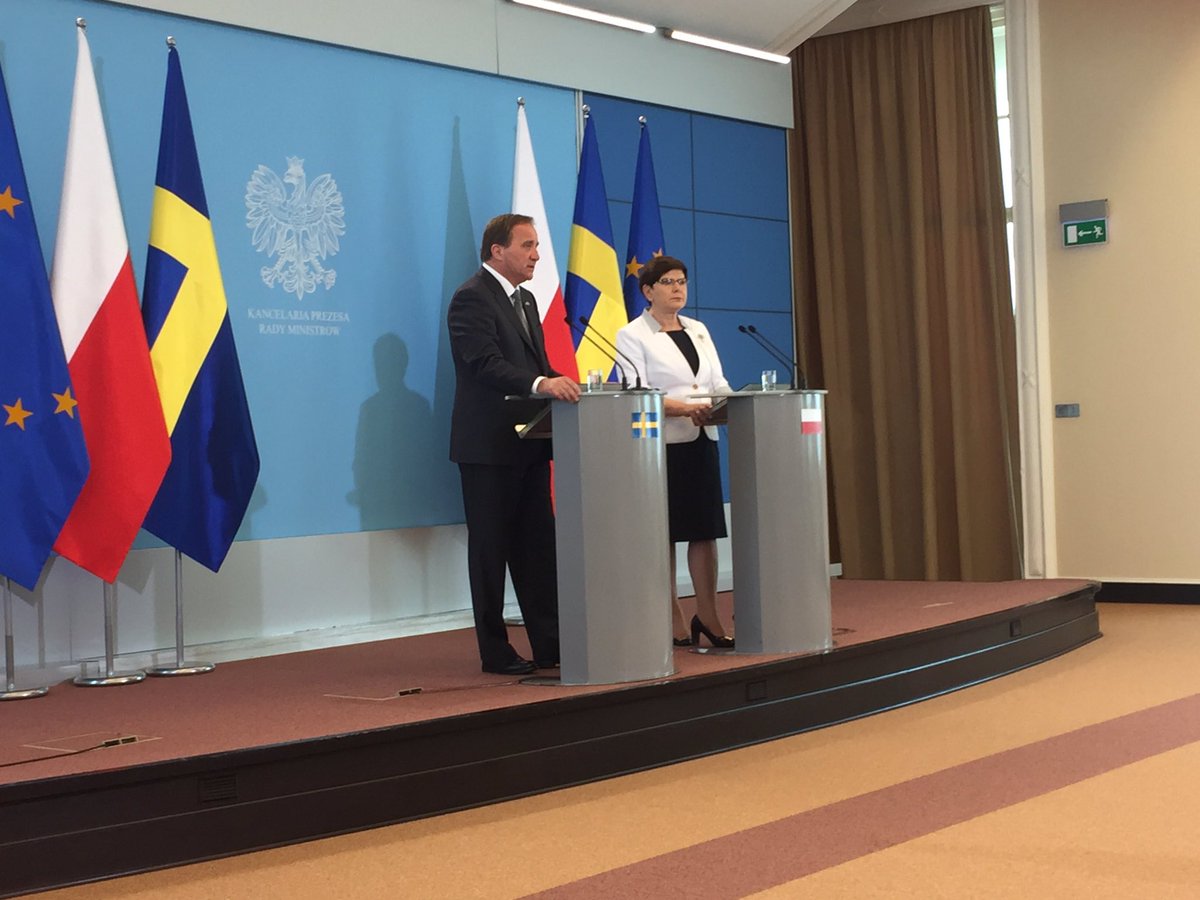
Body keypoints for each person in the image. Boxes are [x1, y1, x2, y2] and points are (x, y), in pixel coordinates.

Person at [448, 213, 581, 674]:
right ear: (496, 251)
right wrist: (544, 382)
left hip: (529, 444)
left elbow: (537, 362)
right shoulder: (471, 298)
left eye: (538, 246)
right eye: (527, 245)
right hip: (487, 448)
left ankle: (552, 643)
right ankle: (495, 651)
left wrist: (550, 382)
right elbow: (484, 364)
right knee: (490, 551)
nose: (537, 255)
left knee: (538, 549)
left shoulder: (526, 300)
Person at [616, 256, 734, 648]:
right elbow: (637, 394)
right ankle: (671, 617)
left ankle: (710, 616)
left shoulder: (698, 330)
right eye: (667, 282)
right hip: (661, 447)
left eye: (682, 281)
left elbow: (717, 382)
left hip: (702, 440)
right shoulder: (632, 335)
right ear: (648, 291)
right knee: (662, 534)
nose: (678, 288)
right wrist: (686, 409)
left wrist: (731, 407)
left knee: (705, 533)